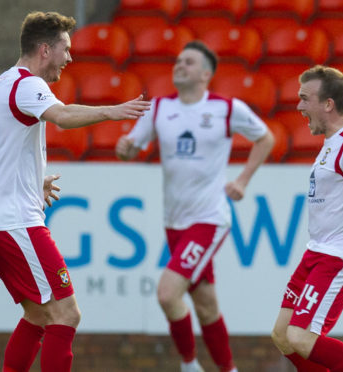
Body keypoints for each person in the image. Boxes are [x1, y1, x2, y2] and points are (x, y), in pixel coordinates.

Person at [0, 11, 150, 372]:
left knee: (38, 314)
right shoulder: (28, 85)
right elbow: (63, 117)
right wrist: (114, 111)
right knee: (66, 314)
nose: (69, 58)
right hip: (15, 222)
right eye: (65, 49)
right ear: (44, 49)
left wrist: (34, 182)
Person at [116, 40, 275, 372]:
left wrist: (243, 181)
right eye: (177, 61)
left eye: (188, 62)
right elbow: (131, 147)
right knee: (205, 307)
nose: (179, 65)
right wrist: (125, 148)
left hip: (209, 218)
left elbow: (266, 138)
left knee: (166, 294)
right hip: (173, 222)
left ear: (206, 73)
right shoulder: (159, 108)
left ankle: (189, 366)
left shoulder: (226, 108)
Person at [270, 65, 343, 372]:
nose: (299, 106)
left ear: (328, 104)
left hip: (339, 258)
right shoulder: (333, 142)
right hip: (317, 252)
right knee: (282, 335)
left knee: (301, 337)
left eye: (305, 98)